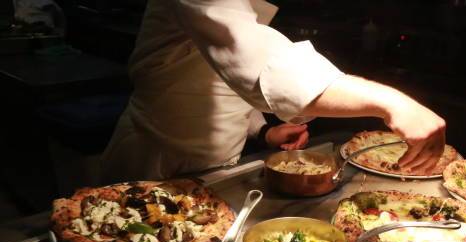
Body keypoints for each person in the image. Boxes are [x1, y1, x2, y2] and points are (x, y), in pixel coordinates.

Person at [101, 0, 445, 183]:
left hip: (221, 167)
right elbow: (250, 57)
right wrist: (392, 102)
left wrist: (262, 129)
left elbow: (218, 77)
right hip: (152, 160)